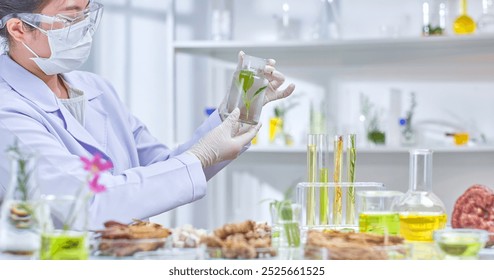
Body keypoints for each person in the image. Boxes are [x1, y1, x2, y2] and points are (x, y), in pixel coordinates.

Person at [0, 0, 295, 229]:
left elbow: (163, 168)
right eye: (69, 16)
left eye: (86, 14)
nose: (83, 27)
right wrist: (201, 155)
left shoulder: (96, 89)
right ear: (19, 28)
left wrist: (234, 112)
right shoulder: (8, 110)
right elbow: (87, 204)